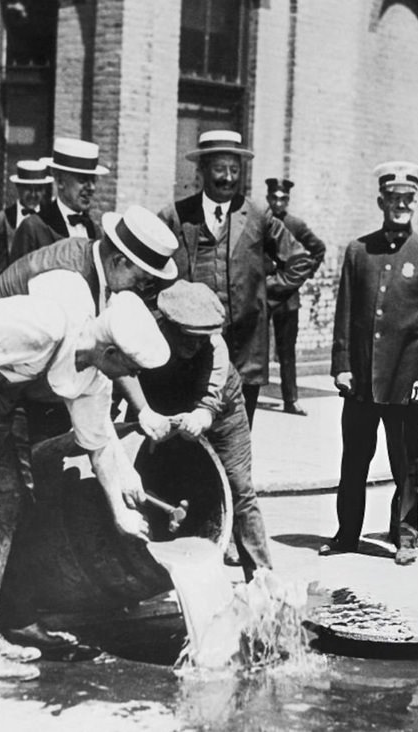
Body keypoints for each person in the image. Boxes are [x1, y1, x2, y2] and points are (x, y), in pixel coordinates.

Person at [0, 206, 179, 659]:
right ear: (108, 348)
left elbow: (100, 444)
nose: (129, 376)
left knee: (9, 498)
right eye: (128, 365)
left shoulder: (93, 369)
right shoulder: (56, 309)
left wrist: (123, 509)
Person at [322, 161, 418, 565]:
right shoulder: (360, 251)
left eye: (407, 199)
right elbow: (345, 312)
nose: (400, 206)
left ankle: (405, 535)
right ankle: (347, 534)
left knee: (407, 462)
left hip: (405, 380)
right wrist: (342, 364)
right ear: (381, 201)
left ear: (415, 202)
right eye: (393, 199)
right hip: (360, 380)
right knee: (354, 460)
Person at [159, 130, 307, 427]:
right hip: (189, 351)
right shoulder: (176, 215)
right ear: (201, 171)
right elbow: (147, 268)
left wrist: (263, 295)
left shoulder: (256, 214)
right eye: (219, 169)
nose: (227, 177)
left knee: (237, 436)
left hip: (243, 351)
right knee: (187, 437)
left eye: (234, 170)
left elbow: (299, 259)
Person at [135, 280, 273, 578]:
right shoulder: (142, 334)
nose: (196, 345)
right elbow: (123, 378)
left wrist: (202, 416)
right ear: (168, 326)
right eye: (188, 339)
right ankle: (159, 574)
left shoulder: (215, 346)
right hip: (166, 415)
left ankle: (262, 578)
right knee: (155, 486)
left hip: (222, 415)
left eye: (202, 339)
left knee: (239, 488)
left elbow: (208, 404)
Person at [264, 177, 326, 416]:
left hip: (287, 297)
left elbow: (318, 248)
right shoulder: (261, 221)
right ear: (269, 198)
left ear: (287, 200)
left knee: (286, 351)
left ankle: (291, 399)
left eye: (283, 198)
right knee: (253, 348)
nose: (278, 202)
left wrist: (303, 275)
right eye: (274, 197)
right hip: (263, 293)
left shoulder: (295, 224)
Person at [9, 138, 105, 261]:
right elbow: (15, 278)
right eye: (83, 179)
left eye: (93, 180)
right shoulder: (33, 228)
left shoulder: (95, 231)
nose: (92, 187)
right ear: (60, 181)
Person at [0, 159, 53, 291]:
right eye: (28, 189)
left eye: (38, 189)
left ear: (44, 190)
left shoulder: (50, 221)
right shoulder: (0, 220)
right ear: (18, 188)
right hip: (4, 292)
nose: (33, 194)